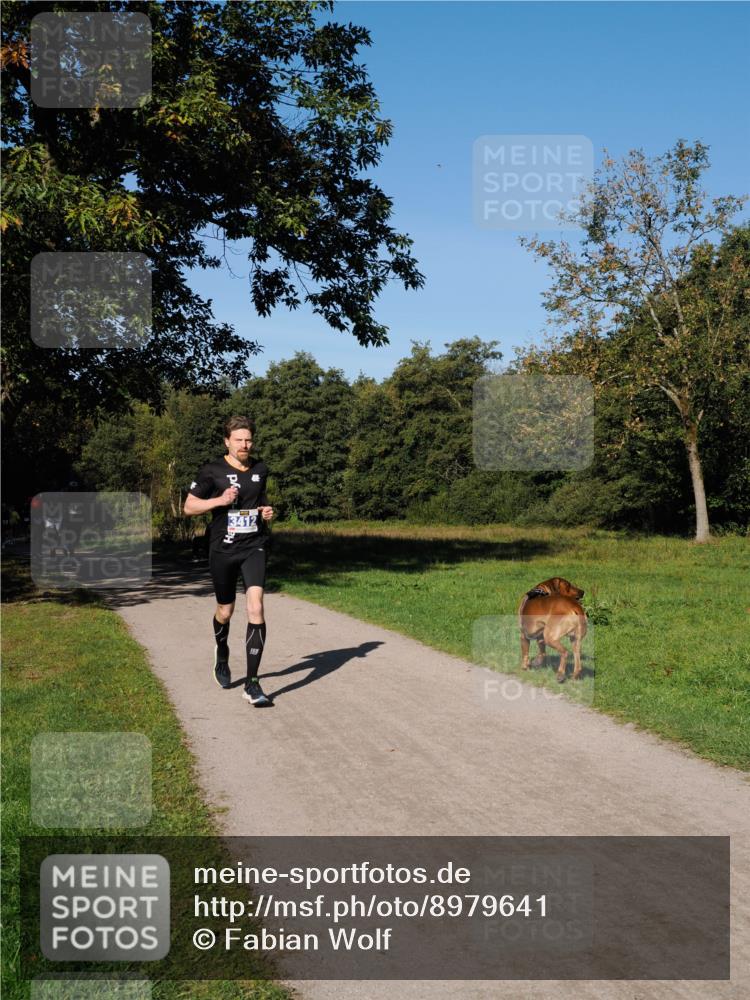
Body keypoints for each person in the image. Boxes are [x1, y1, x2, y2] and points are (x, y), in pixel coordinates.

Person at [183, 416, 275, 707]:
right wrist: (219, 501)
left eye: (248, 440)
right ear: (227, 442)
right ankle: (221, 651)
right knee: (225, 611)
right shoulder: (212, 470)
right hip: (223, 549)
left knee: (256, 607)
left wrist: (266, 512)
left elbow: (259, 503)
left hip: (254, 546)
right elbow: (189, 507)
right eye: (239, 440)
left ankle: (252, 683)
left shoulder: (260, 469)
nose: (245, 445)